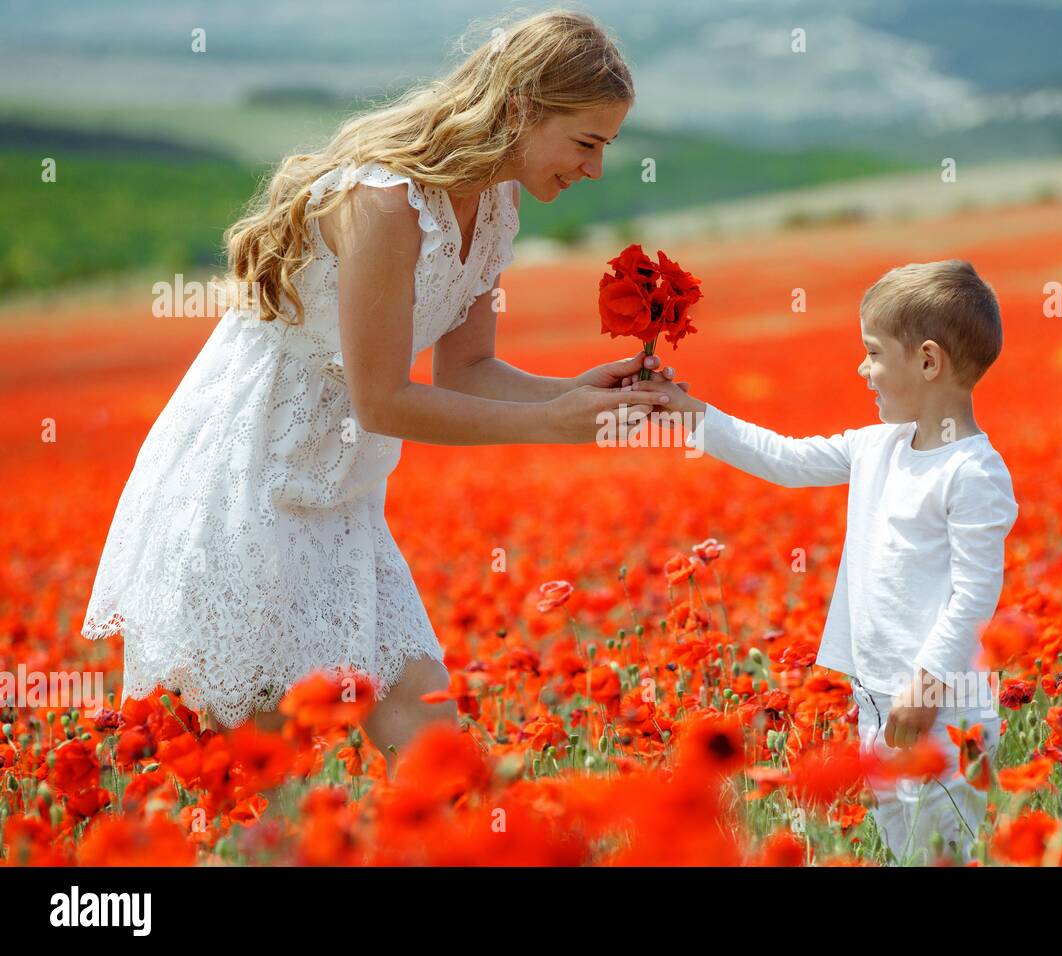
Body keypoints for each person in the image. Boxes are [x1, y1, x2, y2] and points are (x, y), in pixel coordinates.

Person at [79, 10, 680, 773]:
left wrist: (579, 393)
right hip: (248, 480)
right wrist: (558, 424)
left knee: (437, 757)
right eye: (586, 142)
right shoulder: (385, 201)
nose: (594, 168)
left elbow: (468, 373)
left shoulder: (496, 205)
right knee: (252, 778)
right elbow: (384, 400)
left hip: (342, 493)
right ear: (523, 110)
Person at [626, 259, 1019, 864]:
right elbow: (783, 458)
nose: (862, 369)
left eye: (872, 353)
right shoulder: (876, 447)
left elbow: (974, 595)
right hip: (877, 701)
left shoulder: (972, 473)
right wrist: (687, 411)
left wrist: (929, 681)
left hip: (943, 704)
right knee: (905, 850)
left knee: (946, 854)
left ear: (928, 361)